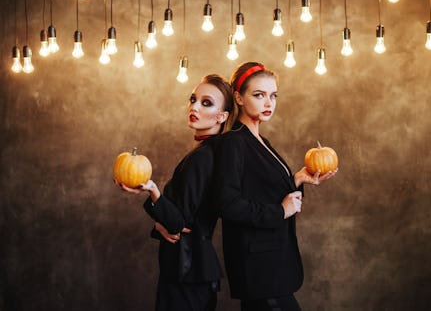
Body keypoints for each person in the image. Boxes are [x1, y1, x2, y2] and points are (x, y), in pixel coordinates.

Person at [213, 62, 338, 311]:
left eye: (273, 95)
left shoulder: (261, 140)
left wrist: (297, 180)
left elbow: (260, 192)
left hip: (274, 263)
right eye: (259, 95)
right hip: (259, 267)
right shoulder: (233, 142)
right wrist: (279, 211)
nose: (268, 103)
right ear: (238, 97)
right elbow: (227, 204)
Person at [116, 74, 233, 311]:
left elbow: (179, 222)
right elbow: (177, 219)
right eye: (193, 99)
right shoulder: (205, 152)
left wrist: (152, 190)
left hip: (189, 268)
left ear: (222, 116)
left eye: (206, 103)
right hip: (190, 268)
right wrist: (161, 224)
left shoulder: (203, 157)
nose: (194, 106)